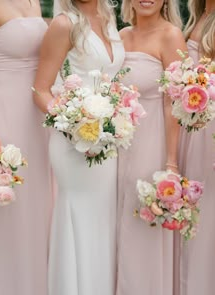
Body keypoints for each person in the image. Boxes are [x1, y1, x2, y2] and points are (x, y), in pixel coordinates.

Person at [33, 0, 125, 294]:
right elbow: (41, 89)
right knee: (79, 215)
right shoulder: (63, 24)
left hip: (108, 140)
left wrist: (111, 124)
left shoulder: (109, 18)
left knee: (102, 219)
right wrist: (74, 127)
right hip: (73, 144)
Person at [0, 1, 52, 294]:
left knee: (38, 208)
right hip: (2, 115)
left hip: (36, 119)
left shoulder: (34, 1)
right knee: (9, 208)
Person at [116, 1, 187, 295]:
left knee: (140, 224)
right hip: (119, 144)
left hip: (152, 142)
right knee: (119, 224)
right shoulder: (120, 37)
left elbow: (175, 103)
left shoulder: (171, 36)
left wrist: (170, 161)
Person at [179, 1, 215, 294]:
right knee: (188, 202)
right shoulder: (197, 14)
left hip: (209, 128)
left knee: (206, 209)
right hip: (190, 123)